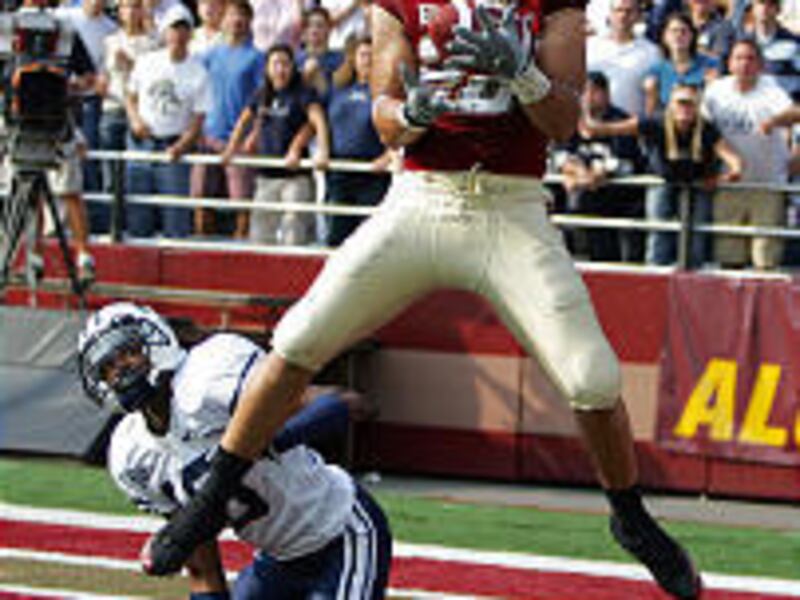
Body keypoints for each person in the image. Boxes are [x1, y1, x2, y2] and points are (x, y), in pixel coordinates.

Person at [145, 3, 703, 600]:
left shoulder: (550, 6)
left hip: (509, 207)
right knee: (299, 338)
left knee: (593, 378)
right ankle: (209, 501)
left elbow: (564, 122)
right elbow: (387, 123)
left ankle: (630, 516)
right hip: (422, 198)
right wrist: (412, 111)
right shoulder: (404, 6)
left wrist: (523, 75)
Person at [77, 302, 392, 599]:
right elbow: (202, 568)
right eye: (107, 367)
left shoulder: (207, 378)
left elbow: (341, 402)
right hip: (279, 559)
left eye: (128, 352)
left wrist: (261, 441)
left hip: (340, 531)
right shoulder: (132, 455)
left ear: (154, 341)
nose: (121, 369)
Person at [582, 83, 744, 266]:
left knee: (697, 231)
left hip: (698, 182)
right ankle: (656, 270)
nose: (685, 109)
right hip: (663, 180)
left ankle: (694, 270)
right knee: (659, 228)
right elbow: (615, 128)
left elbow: (729, 155)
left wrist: (732, 171)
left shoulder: (706, 129)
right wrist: (591, 126)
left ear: (698, 106)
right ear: (671, 105)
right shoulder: (656, 122)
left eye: (690, 104)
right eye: (680, 103)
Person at [222, 44, 329, 246]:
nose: (280, 69)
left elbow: (317, 121)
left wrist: (320, 150)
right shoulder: (262, 93)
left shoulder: (303, 92)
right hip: (266, 176)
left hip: (295, 176)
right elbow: (245, 118)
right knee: (261, 235)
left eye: (285, 64)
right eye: (275, 64)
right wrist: (231, 148)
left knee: (294, 235)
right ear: (268, 68)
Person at [702, 37, 793, 269]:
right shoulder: (715, 91)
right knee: (729, 257)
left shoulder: (771, 90)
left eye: (750, 58)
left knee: (765, 260)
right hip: (730, 184)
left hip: (767, 185)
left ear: (760, 64)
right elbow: (703, 132)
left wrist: (774, 121)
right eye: (738, 58)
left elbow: (794, 112)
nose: (744, 64)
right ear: (730, 63)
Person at [124, 4, 212, 238]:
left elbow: (198, 117)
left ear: (191, 34)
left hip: (173, 147)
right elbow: (130, 96)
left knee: (176, 219)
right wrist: (134, 120)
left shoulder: (198, 72)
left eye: (184, 29)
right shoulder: (146, 62)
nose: (178, 35)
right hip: (141, 144)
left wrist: (182, 145)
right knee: (138, 214)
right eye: (174, 29)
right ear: (165, 32)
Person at [553, 71, 645, 262]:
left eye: (595, 91)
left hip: (614, 195)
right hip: (579, 190)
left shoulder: (620, 120)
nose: (589, 96)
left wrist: (600, 172)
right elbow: (559, 155)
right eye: (585, 91)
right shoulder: (571, 119)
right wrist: (579, 173)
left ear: (606, 94)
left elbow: (628, 161)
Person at [191, 0, 264, 238]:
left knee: (241, 201)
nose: (237, 20)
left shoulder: (256, 58)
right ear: (223, 19)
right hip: (209, 135)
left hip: (240, 139)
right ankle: (201, 245)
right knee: (201, 198)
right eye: (232, 15)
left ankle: (241, 247)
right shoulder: (209, 55)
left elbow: (262, 101)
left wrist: (254, 133)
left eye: (242, 16)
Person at [324, 34, 392, 246]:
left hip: (371, 173)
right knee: (337, 235)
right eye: (363, 54)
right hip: (339, 171)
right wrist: (323, 150)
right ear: (353, 58)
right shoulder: (338, 88)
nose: (367, 60)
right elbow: (320, 120)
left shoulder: (387, 92)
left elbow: (401, 128)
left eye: (373, 55)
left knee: (370, 239)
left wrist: (388, 156)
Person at [97, 0, 160, 204]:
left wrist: (132, 64)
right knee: (110, 173)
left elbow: (156, 79)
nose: (131, 12)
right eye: (125, 6)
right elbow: (103, 73)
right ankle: (113, 225)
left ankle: (137, 224)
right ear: (119, 11)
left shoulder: (153, 42)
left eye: (135, 6)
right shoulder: (110, 41)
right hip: (112, 108)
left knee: (138, 174)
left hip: (141, 113)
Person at [587, 0, 662, 116]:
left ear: (638, 16)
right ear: (610, 14)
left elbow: (653, 95)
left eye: (629, 11)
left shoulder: (652, 53)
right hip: (592, 124)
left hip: (629, 128)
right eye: (618, 10)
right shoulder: (590, 46)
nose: (623, 15)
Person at [643, 12, 720, 115]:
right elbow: (650, 113)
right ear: (664, 37)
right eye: (674, 31)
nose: (679, 35)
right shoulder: (657, 70)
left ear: (692, 36)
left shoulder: (710, 64)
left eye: (684, 31)